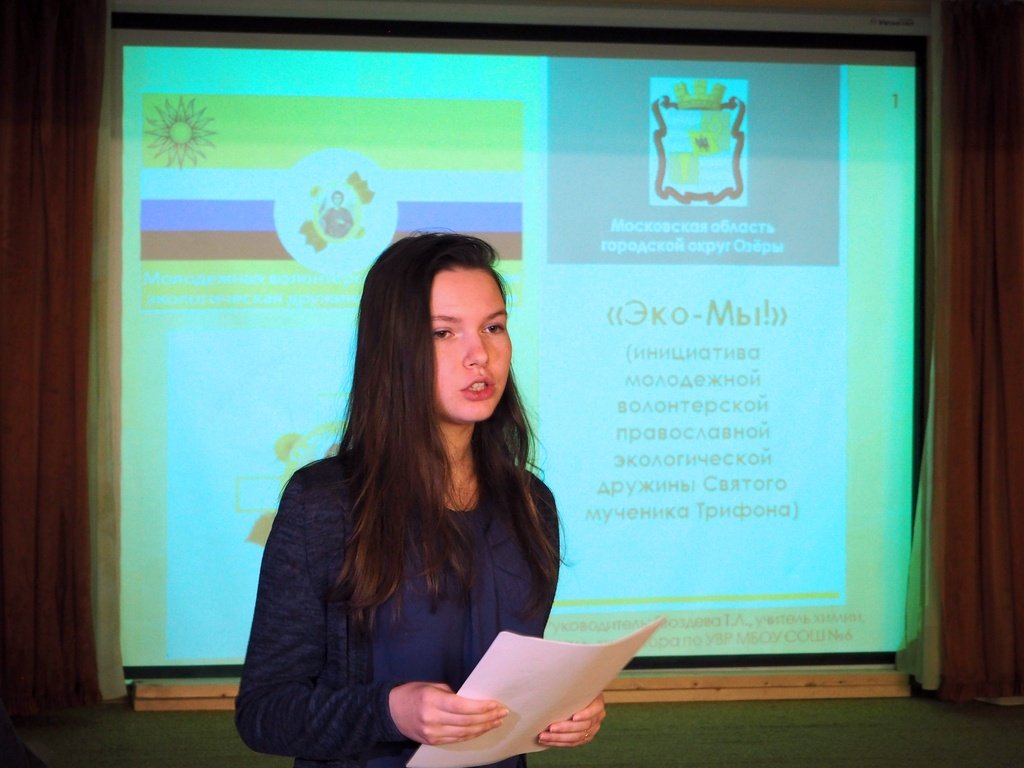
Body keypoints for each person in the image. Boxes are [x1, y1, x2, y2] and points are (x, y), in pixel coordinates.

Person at [236, 232, 605, 767]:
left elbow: (510, 687)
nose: (479, 355)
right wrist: (390, 711)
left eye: (493, 327)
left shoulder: (531, 503)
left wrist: (562, 705)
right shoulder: (324, 503)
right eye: (443, 332)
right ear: (394, 351)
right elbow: (265, 713)